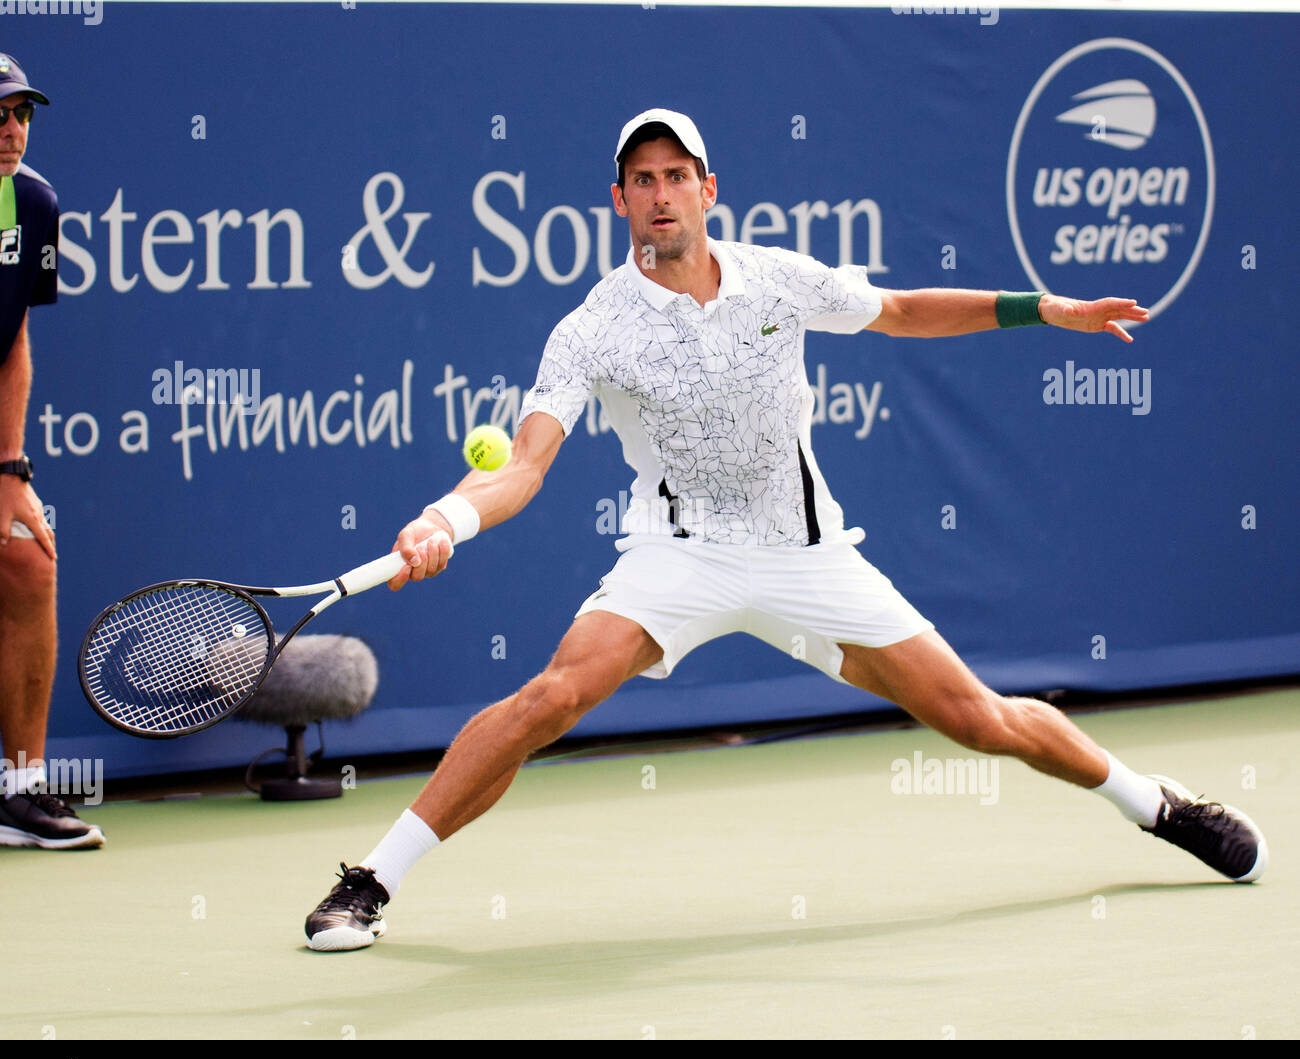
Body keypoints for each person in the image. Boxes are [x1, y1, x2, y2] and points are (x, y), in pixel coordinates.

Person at [304, 108, 1264, 950]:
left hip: (808, 555)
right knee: (550, 696)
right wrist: (444, 519)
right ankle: (373, 881)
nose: (662, 193)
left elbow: (901, 311)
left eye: (677, 175)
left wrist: (1040, 307)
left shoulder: (776, 279)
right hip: (680, 556)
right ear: (620, 201)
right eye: (643, 180)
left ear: (708, 188)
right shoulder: (591, 328)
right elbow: (525, 465)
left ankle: (1158, 804)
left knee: (981, 719)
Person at [0, 53, 103, 850]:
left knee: (30, 560)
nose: (11, 129)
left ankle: (21, 790)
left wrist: (10, 472)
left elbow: (13, 341)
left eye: (21, 113)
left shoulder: (31, 202)